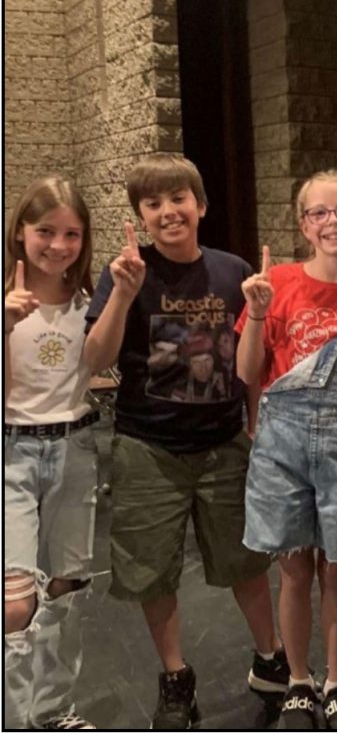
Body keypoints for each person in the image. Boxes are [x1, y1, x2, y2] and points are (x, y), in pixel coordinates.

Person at [83, 155, 284, 730]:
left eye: (178, 198)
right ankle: (175, 677)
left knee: (247, 560)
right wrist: (123, 295)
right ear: (140, 216)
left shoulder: (232, 270)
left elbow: (250, 363)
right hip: (147, 447)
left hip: (224, 444)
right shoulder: (124, 272)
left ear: (200, 204)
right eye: (152, 203)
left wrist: (252, 425)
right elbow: (94, 361)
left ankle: (271, 658)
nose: (167, 211)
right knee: (152, 571)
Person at [236, 169, 337, 730]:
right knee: (294, 569)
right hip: (280, 444)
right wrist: (256, 315)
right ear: (304, 224)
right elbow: (247, 371)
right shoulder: (275, 283)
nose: (334, 222)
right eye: (320, 213)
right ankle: (299, 681)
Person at [4, 177, 99, 731]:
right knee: (15, 601)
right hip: (12, 452)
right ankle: (12, 718)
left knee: (66, 587)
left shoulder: (89, 305)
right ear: (21, 231)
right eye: (45, 231)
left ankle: (52, 709)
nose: (58, 245)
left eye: (71, 234)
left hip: (76, 445)